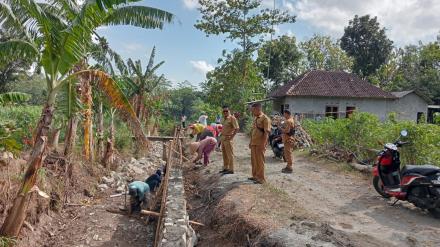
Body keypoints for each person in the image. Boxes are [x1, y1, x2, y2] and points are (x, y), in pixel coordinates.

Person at [249, 103, 271, 184]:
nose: (252, 112)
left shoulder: (265, 119)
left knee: (260, 160)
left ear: (258, 109)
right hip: (254, 143)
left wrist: (263, 144)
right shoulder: (256, 118)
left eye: (253, 110)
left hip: (260, 143)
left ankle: (261, 178)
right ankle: (255, 176)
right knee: (254, 160)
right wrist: (250, 141)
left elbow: (266, 133)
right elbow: (253, 131)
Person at [219, 106, 239, 175]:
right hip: (223, 138)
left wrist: (232, 137)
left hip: (228, 138)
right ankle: (225, 168)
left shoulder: (232, 118)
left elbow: (236, 128)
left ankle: (231, 169)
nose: (225, 112)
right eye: (223, 111)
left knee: (230, 154)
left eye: (226, 111)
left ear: (229, 111)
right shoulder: (223, 119)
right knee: (224, 154)